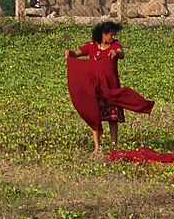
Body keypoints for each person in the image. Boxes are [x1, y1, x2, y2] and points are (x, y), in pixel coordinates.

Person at [65, 21, 152, 153]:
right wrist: (69, 52)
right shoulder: (91, 46)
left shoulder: (115, 45)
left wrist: (116, 53)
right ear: (103, 34)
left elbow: (120, 53)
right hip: (95, 89)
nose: (113, 37)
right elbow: (76, 54)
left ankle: (113, 146)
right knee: (95, 116)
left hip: (110, 87)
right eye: (111, 35)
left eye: (114, 35)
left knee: (113, 118)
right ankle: (96, 147)